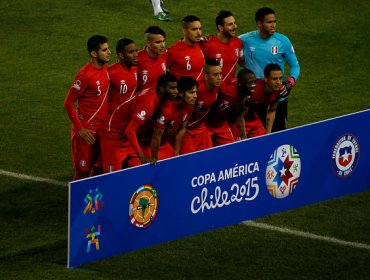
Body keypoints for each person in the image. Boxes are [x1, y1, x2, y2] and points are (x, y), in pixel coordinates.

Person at [239, 7, 300, 132]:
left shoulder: (283, 41)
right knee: (255, 136)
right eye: (269, 22)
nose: (273, 25)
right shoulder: (246, 39)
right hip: (255, 98)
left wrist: (290, 82)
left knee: (279, 135)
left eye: (274, 21)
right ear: (259, 24)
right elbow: (227, 43)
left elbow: (295, 65)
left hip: (277, 96)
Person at [64, 35, 111, 180]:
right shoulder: (85, 75)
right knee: (83, 171)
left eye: (108, 48)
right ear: (94, 54)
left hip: (101, 130)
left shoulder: (105, 68)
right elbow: (68, 103)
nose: (109, 52)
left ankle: (94, 202)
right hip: (87, 131)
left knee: (98, 168)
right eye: (104, 50)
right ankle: (77, 202)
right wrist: (80, 129)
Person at [101, 38, 139, 173]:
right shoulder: (110, 73)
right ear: (121, 55)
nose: (136, 54)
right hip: (113, 135)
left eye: (136, 50)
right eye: (131, 52)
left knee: (137, 174)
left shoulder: (136, 69)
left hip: (129, 132)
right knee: (110, 178)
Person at [125, 73, 178, 164]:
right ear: (161, 89)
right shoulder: (149, 104)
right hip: (116, 134)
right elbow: (130, 130)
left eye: (176, 88)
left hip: (135, 136)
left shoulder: (159, 95)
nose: (176, 91)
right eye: (172, 88)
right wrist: (141, 156)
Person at [151, 76, 198, 164]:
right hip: (150, 144)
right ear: (180, 93)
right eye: (191, 92)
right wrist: (155, 157)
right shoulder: (167, 110)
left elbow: (182, 128)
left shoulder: (190, 105)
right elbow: (156, 136)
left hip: (164, 142)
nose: (195, 96)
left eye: (195, 92)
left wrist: (176, 152)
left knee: (176, 164)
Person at [180, 58, 221, 155]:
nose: (219, 77)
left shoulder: (218, 86)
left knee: (208, 158)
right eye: (215, 75)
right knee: (188, 161)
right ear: (206, 76)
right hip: (187, 131)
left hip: (201, 128)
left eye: (220, 73)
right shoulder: (196, 91)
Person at [235, 64, 282, 140]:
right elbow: (240, 116)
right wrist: (244, 138)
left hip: (254, 119)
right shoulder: (253, 90)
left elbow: (272, 110)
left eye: (280, 78)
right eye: (275, 79)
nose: (278, 82)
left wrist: (268, 133)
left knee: (264, 143)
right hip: (239, 120)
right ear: (266, 79)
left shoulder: (279, 90)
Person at [201, 10, 243, 86]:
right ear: (220, 27)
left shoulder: (238, 42)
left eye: (235, 23)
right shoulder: (207, 44)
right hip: (213, 89)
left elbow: (241, 61)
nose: (235, 27)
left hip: (229, 90)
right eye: (230, 24)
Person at [166, 15, 205, 81]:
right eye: (194, 29)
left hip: (201, 90)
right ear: (184, 31)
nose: (199, 33)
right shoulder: (174, 51)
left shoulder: (201, 44)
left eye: (200, 29)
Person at [137, 26, 167, 92]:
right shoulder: (136, 59)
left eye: (163, 41)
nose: (163, 45)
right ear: (148, 43)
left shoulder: (165, 54)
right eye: (158, 42)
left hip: (160, 98)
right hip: (144, 100)